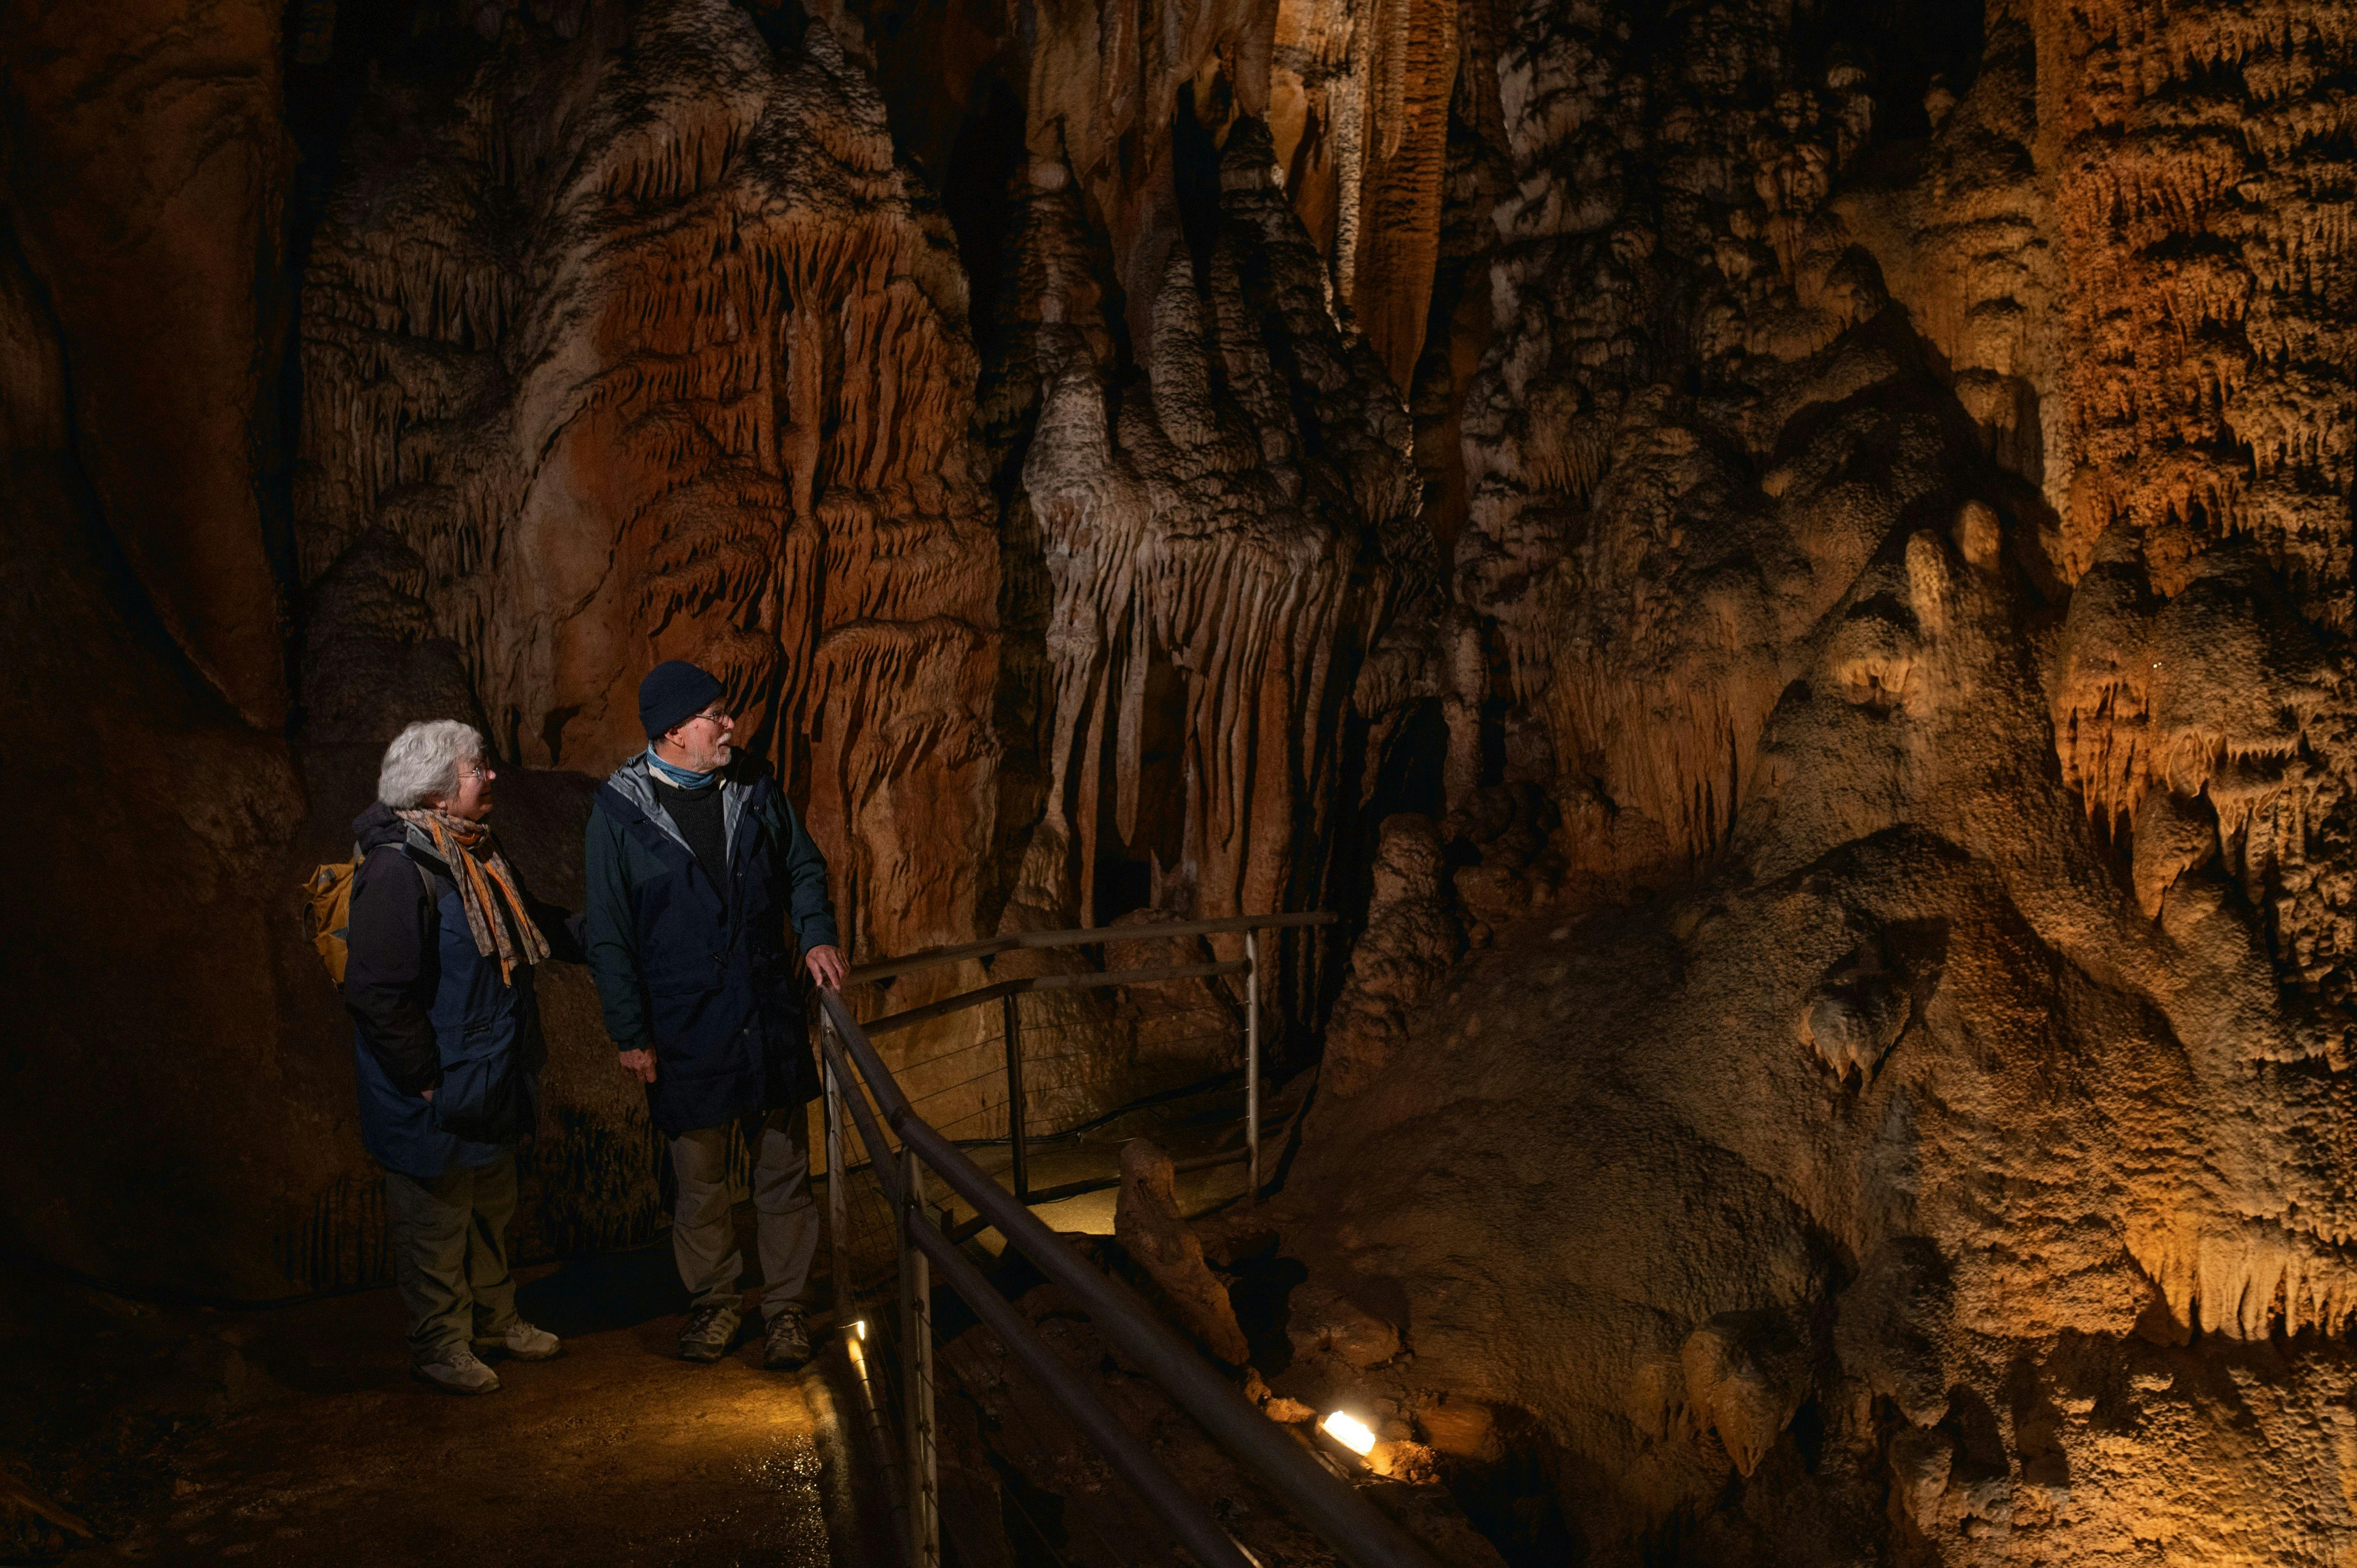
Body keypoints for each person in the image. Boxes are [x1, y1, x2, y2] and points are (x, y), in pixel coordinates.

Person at [583, 661, 847, 1368]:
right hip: (684, 1023)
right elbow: (609, 931)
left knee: (784, 1174)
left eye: (725, 712)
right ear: (673, 731)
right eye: (715, 716)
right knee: (700, 1184)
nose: (730, 724)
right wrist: (630, 1033)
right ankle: (716, 1303)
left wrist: (816, 929)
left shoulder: (756, 786)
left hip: (765, 1013)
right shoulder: (619, 812)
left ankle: (787, 1310)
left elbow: (802, 866)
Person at [346, 719, 579, 1395]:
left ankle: (492, 1319)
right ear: (440, 793)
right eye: (478, 768)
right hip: (434, 1089)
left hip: (485, 1076)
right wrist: (422, 1077)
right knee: (435, 1224)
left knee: (489, 1209)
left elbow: (531, 922)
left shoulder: (476, 853)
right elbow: (376, 991)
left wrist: (611, 938)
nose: (492, 776)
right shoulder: (398, 869)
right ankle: (439, 1344)